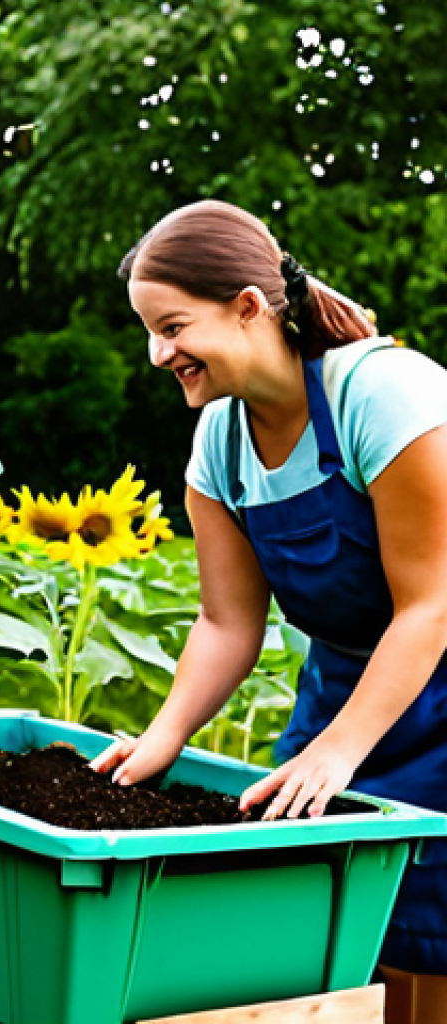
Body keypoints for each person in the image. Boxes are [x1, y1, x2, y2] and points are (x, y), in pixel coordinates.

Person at [91, 199, 447, 1022]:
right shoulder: (220, 442)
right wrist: (162, 740)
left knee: (429, 941)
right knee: (309, 915)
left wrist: (338, 754)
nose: (157, 352)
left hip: (430, 678)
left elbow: (430, 605)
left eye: (173, 326)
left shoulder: (383, 394)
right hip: (344, 692)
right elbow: (227, 624)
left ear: (248, 308)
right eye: (149, 330)